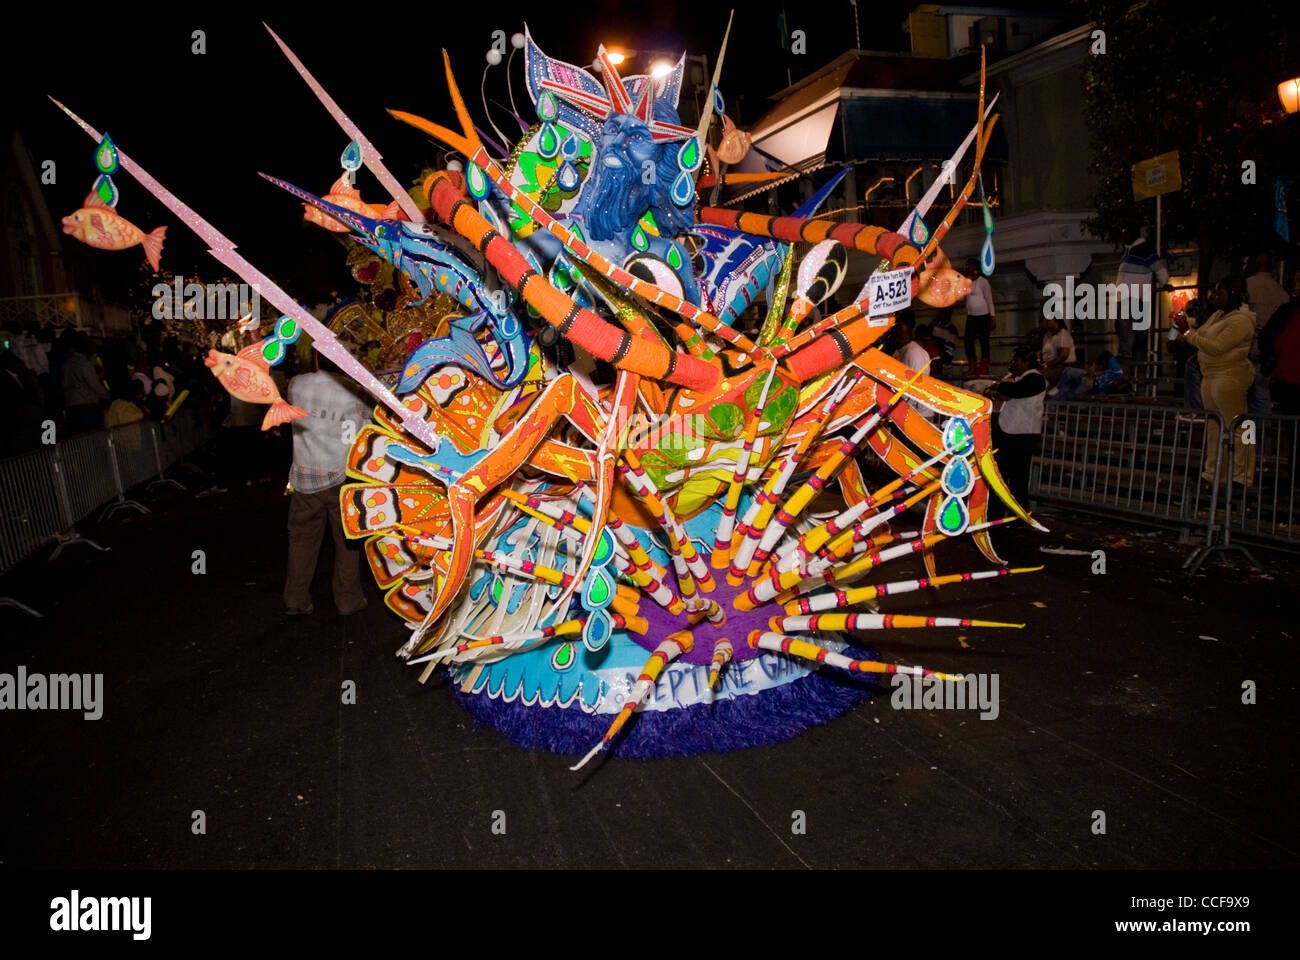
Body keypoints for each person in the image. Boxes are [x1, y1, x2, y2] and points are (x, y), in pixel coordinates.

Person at [282, 355, 372, 617]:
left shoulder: (297, 385)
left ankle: (295, 599)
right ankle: (348, 599)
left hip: (304, 476)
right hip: (343, 476)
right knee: (347, 541)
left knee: (301, 540)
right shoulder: (355, 390)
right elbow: (366, 429)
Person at [1171, 276, 1256, 487]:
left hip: (1229, 376)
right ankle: (1214, 474)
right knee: (1215, 428)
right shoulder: (1218, 315)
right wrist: (1185, 330)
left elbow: (1216, 346)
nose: (1215, 296)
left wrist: (1188, 333)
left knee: (1240, 427)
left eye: (1220, 292)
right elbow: (1202, 338)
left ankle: (1242, 477)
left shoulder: (1241, 320)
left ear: (1234, 294)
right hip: (1210, 376)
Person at [984, 348, 1046, 516]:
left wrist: (1000, 387)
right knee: (1001, 475)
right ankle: (995, 513)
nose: (1012, 364)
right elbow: (996, 392)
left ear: (1026, 362)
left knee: (1018, 479)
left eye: (1016, 361)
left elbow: (1013, 391)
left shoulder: (1035, 379)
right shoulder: (1015, 379)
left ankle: (1017, 515)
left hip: (1022, 434)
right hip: (1010, 431)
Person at [1114, 225, 1172, 364]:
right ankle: (1129, 350)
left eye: (1125, 234)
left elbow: (1158, 266)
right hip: (1124, 295)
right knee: (1121, 325)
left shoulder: (1144, 248)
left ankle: (1127, 353)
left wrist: (1164, 282)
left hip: (1133, 294)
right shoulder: (1128, 250)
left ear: (1133, 234)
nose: (1123, 238)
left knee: (1125, 324)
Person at [1245, 252, 1287, 416]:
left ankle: (1247, 437)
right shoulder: (1281, 292)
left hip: (1250, 346)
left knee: (1246, 396)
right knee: (1262, 396)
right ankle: (1261, 435)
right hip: (1268, 351)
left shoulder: (1248, 285)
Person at [61, 332, 109, 434]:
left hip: (71, 406)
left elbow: (65, 383)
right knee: (92, 438)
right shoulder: (84, 363)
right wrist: (108, 395)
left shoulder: (68, 363)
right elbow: (94, 384)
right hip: (86, 406)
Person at [962, 259, 995, 375]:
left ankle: (984, 367)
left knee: (983, 342)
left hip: (984, 316)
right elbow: (962, 297)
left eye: (969, 265)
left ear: (975, 268)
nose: (966, 268)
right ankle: (972, 365)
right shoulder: (967, 282)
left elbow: (989, 299)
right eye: (966, 266)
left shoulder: (983, 282)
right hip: (971, 317)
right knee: (968, 342)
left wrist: (992, 316)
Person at [1038, 315, 1076, 387]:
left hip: (1062, 367)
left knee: (1039, 377)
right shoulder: (1047, 335)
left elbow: (1063, 356)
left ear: (1057, 321)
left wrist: (1047, 365)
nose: (1046, 323)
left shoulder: (1063, 334)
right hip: (1049, 367)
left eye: (1049, 321)